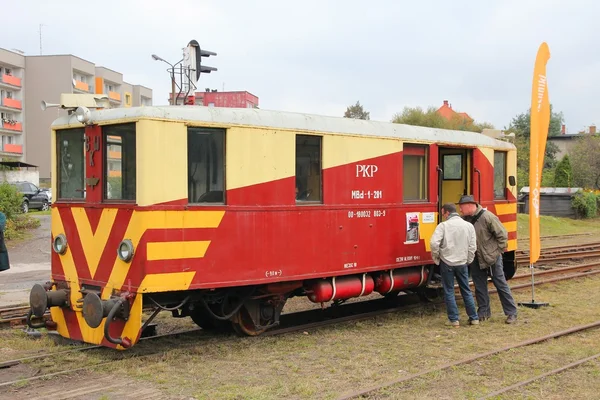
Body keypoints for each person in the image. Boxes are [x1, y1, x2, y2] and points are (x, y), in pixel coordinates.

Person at [458, 195, 517, 324]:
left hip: (492, 257)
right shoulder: (464, 220)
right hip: (475, 258)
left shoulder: (488, 217)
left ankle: (511, 313)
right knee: (479, 286)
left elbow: (503, 236)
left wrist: (495, 254)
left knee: (500, 284)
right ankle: (483, 313)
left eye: (461, 207)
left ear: (469, 205)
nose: (460, 210)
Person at [430, 203, 478, 327]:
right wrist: (468, 259)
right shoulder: (468, 226)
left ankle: (454, 320)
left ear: (446, 213)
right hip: (462, 262)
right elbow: (473, 246)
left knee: (449, 291)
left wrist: (436, 257)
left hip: (447, 263)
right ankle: (474, 318)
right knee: (466, 290)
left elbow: (434, 243)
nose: (443, 216)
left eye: (443, 213)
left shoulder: (443, 226)